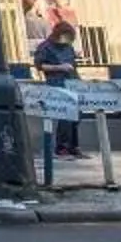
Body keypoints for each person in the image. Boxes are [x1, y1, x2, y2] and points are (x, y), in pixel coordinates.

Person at [33, 18, 84, 159]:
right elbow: (40, 65)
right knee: (65, 117)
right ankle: (62, 147)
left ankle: (74, 146)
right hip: (57, 83)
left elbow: (73, 64)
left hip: (72, 81)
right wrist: (59, 67)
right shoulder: (45, 47)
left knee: (77, 115)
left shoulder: (68, 47)